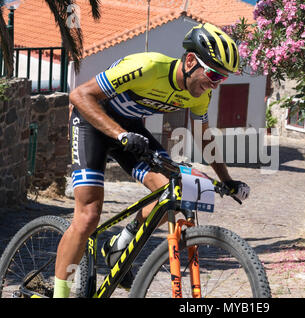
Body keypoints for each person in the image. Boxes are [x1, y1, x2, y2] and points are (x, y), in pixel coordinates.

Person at [53, 23, 250, 298]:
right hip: (91, 122)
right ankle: (60, 291)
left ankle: (119, 245)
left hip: (130, 131)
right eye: (213, 74)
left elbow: (204, 139)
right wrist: (120, 134)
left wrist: (227, 180)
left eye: (222, 79)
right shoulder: (148, 67)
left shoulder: (200, 94)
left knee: (172, 190)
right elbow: (79, 95)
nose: (214, 84)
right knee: (88, 216)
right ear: (191, 60)